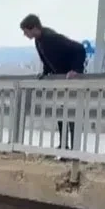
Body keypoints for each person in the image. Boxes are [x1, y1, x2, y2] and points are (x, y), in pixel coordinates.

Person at [20, 13, 86, 150]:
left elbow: (79, 49)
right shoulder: (38, 41)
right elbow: (47, 59)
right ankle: (63, 144)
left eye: (26, 31)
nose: (25, 35)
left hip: (70, 79)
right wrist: (45, 73)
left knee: (71, 113)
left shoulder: (51, 37)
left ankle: (74, 148)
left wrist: (76, 69)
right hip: (60, 79)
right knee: (61, 113)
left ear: (34, 28)